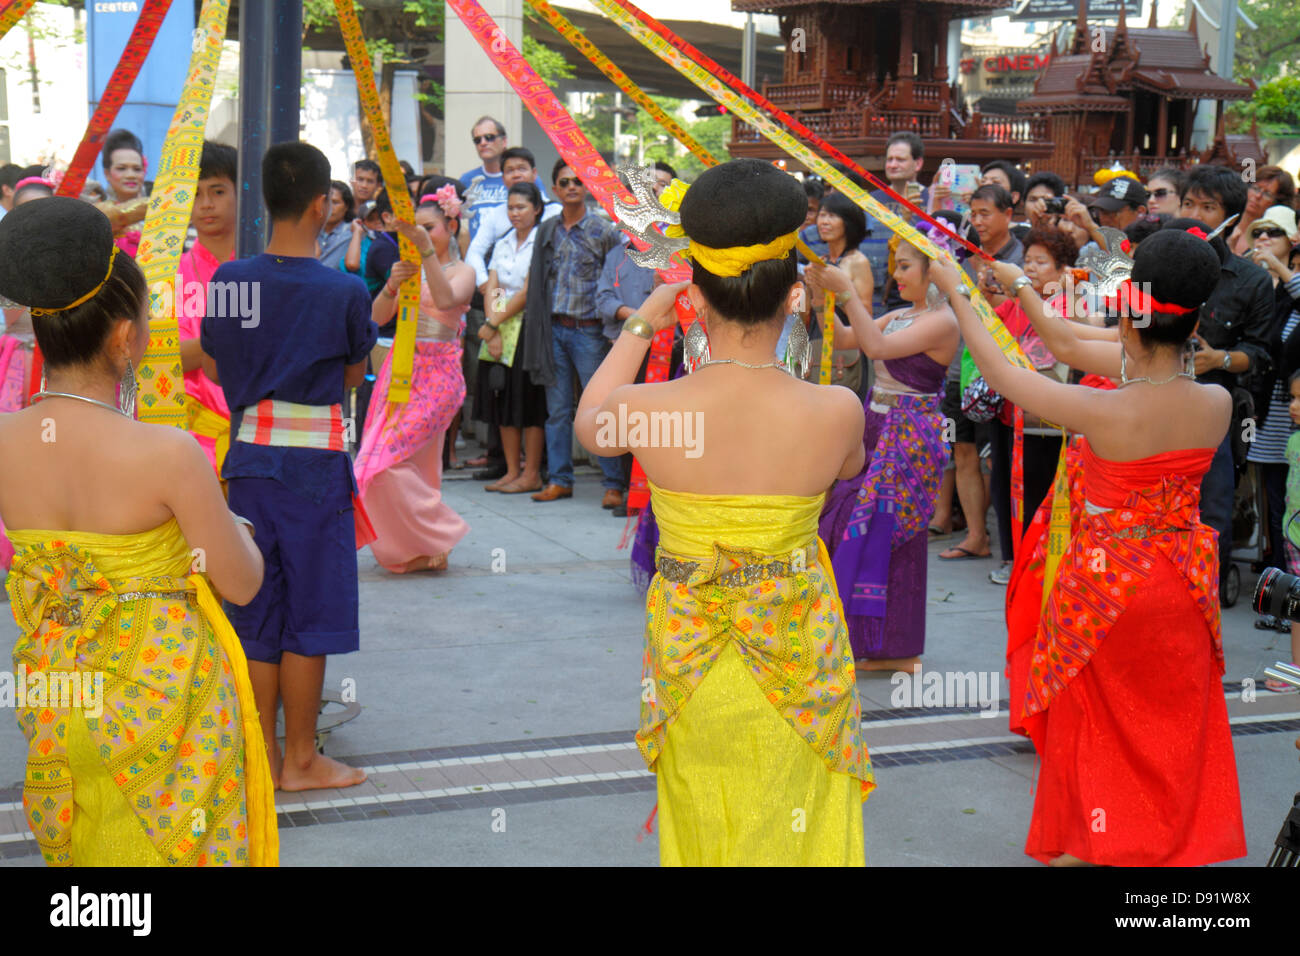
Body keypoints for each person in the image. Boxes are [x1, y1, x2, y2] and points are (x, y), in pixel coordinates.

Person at [574, 159, 873, 865]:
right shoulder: (836, 410)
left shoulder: (649, 412)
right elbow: (849, 468)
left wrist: (645, 321)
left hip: (689, 667)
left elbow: (590, 422)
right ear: (794, 294)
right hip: (802, 664)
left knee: (705, 825)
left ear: (694, 294)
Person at [943, 227, 1247, 866]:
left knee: (1096, 717)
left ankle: (1092, 843)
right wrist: (1019, 283)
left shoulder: (1105, 411)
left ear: (1131, 323)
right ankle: (1163, 843)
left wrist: (958, 291)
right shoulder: (1216, 401)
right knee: (1171, 719)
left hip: (1108, 587)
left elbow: (1006, 370)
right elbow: (1066, 340)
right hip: (1185, 585)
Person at [0, 197, 276, 865]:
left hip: (57, 697)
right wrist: (230, 524)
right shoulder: (168, 453)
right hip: (164, 714)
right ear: (125, 336)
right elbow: (241, 583)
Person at [200, 141, 376, 792]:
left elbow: (217, 366)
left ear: (264, 201)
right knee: (310, 611)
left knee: (256, 607)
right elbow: (355, 373)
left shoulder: (231, 281)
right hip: (314, 468)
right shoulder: (345, 291)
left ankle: (263, 759)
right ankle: (301, 759)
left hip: (246, 460)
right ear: (319, 204)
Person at [807, 230, 958, 672]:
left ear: (934, 274)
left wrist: (848, 289)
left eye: (906, 266)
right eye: (896, 265)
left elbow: (875, 347)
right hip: (876, 425)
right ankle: (866, 637)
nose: (896, 275)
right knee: (851, 521)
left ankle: (898, 647)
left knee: (891, 532)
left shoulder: (944, 320)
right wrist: (823, 297)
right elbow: (849, 338)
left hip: (909, 433)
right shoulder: (901, 316)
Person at [355, 181, 472, 572]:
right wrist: (391, 284)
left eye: (431, 227)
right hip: (400, 368)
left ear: (450, 227)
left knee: (383, 463)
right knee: (409, 464)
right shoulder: (407, 268)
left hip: (438, 374)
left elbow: (444, 301)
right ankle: (420, 547)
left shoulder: (464, 270)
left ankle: (441, 532)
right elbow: (375, 319)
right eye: (416, 228)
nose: (423, 234)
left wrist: (424, 252)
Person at [1171, 178, 1275, 597]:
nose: (1194, 216)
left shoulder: (1251, 280)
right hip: (1153, 398)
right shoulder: (1159, 266)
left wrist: (1220, 359)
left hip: (1216, 404)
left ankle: (1207, 586)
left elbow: (1263, 355)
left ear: (1231, 218)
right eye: (1188, 204)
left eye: (1207, 208)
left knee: (1212, 502)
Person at [520, 159, 627, 507]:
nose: (571, 187)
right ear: (554, 190)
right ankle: (560, 479)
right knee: (558, 410)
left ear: (587, 188)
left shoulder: (604, 231)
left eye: (577, 181)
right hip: (554, 330)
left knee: (600, 406)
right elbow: (537, 282)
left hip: (590, 333)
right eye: (564, 182)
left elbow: (617, 278)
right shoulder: (547, 230)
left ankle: (613, 483)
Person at [981, 226, 1075, 585]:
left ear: (1063, 269)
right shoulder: (1016, 303)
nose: (1031, 268)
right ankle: (1016, 559)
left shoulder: (1068, 304)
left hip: (1049, 419)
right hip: (1011, 413)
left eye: (1041, 262)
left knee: (1041, 494)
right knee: (1008, 490)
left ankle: (1040, 566)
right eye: (1028, 261)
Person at [936, 184, 1023, 562]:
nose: (977, 221)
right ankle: (975, 535)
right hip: (961, 370)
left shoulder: (1020, 257)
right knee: (962, 448)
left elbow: (1023, 309)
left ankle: (1012, 542)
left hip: (1002, 371)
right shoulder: (964, 256)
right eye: (973, 213)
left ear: (1008, 214)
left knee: (997, 457)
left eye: (986, 212)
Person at [476, 181, 548, 494]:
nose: (515, 213)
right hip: (499, 327)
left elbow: (529, 291)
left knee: (528, 402)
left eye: (521, 207)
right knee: (502, 397)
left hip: (529, 328)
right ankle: (511, 470)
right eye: (511, 207)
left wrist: (493, 322)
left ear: (537, 209)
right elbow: (493, 285)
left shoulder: (540, 241)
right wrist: (492, 325)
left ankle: (531, 473)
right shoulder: (504, 242)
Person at [1244, 205, 1300, 599]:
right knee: (1274, 504)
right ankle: (1276, 581)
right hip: (1269, 412)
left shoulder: (1290, 287)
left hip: (1290, 413)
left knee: (1290, 506)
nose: (1263, 240)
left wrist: (1281, 272)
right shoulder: (1263, 289)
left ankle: (1287, 590)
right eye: (1258, 233)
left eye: (1273, 234)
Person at [177, 141, 238, 475]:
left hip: (254, 432)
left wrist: (200, 348)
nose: (206, 205)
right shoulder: (167, 273)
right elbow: (164, 360)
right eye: (195, 194)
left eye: (217, 191)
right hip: (188, 441)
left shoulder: (260, 265)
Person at [459, 116, 509, 246]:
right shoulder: (466, 180)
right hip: (478, 258)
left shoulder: (522, 177)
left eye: (489, 137)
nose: (483, 143)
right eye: (477, 140)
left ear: (503, 141)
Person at [1229, 166, 1296, 257]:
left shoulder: (1271, 240)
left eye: (1267, 194)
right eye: (1256, 188)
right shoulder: (1227, 222)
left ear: (1278, 203)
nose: (1258, 196)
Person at [318, 180, 355, 271]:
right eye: (326, 202)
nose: (329, 207)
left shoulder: (351, 233)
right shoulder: (312, 230)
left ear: (346, 206)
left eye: (335, 202)